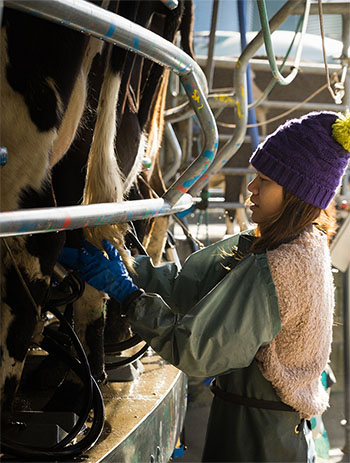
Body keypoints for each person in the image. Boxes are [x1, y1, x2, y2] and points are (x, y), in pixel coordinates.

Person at [59, 111, 350, 462]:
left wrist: (130, 296)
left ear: (296, 195)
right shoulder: (291, 243)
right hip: (261, 421)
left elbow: (198, 350)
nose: (251, 187)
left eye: (266, 181)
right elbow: (194, 287)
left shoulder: (284, 267)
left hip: (260, 438)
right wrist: (129, 267)